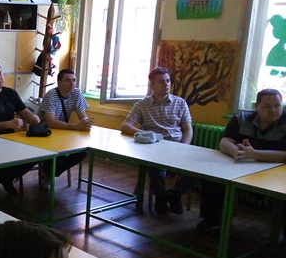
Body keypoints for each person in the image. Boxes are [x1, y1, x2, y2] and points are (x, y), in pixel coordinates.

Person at [198, 88, 286, 232]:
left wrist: (254, 154)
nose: (274, 110)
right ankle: (214, 219)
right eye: (267, 106)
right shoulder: (242, 118)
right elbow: (225, 141)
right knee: (213, 178)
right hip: (244, 165)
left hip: (277, 171)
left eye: (277, 105)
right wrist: (236, 152)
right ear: (257, 106)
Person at [120, 67, 193, 214]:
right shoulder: (142, 105)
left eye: (168, 81)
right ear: (152, 85)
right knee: (155, 167)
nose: (166, 84)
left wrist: (184, 147)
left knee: (197, 169)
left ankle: (174, 193)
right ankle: (160, 197)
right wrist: (145, 134)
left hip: (177, 145)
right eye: (161, 82)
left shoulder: (180, 103)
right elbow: (125, 126)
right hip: (155, 147)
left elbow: (188, 129)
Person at [0, 61, 41, 197]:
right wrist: (8, 124)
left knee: (35, 155)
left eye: (0, 73)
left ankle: (6, 178)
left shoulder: (10, 93)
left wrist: (33, 118)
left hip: (11, 141)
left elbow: (24, 112)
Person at [36, 69, 91, 191]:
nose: (72, 83)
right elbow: (51, 122)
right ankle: (48, 172)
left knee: (82, 152)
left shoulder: (76, 93)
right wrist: (76, 126)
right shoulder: (51, 95)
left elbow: (83, 116)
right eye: (67, 80)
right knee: (60, 151)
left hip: (63, 133)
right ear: (59, 82)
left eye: (74, 80)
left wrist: (86, 123)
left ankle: (50, 173)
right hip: (45, 134)